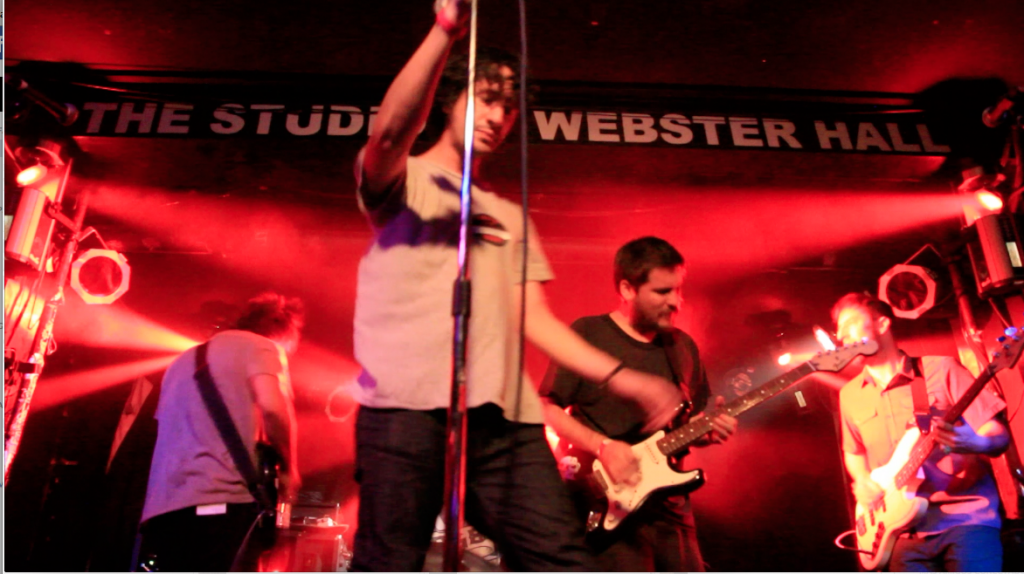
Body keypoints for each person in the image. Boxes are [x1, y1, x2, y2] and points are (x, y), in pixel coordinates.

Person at [348, 0, 683, 570]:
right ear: (452, 99)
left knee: (562, 558)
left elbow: (538, 321)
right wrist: (444, 32)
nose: (499, 116)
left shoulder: (509, 217)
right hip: (404, 408)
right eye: (486, 99)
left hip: (505, 420)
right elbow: (388, 135)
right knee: (390, 561)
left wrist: (626, 378)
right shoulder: (408, 179)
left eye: (508, 107)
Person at [539, 236, 737, 571]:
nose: (676, 302)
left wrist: (707, 431)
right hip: (606, 504)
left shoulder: (682, 347)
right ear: (627, 289)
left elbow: (685, 426)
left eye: (678, 290)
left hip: (670, 510)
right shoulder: (589, 333)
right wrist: (602, 446)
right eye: (662, 291)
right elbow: (547, 407)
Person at [832, 292, 1008, 572]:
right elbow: (854, 452)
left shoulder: (941, 368)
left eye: (850, 323)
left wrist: (976, 442)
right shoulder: (849, 395)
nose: (842, 335)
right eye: (838, 329)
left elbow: (997, 434)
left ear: (882, 324)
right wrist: (863, 480)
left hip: (964, 520)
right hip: (900, 532)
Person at [139, 292, 304, 572]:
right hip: (219, 504)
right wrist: (290, 470)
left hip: (163, 512)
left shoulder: (180, 362)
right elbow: (275, 411)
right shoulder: (262, 347)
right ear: (280, 331)